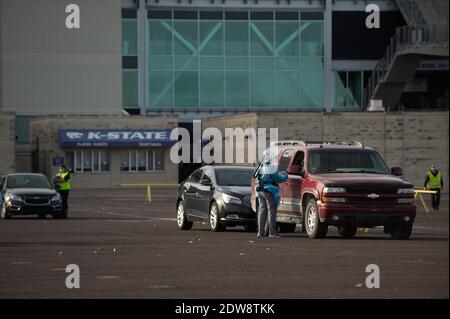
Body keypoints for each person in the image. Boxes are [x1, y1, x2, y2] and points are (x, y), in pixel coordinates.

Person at [256, 149, 288, 238]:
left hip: (260, 190)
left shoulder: (260, 166)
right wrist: (286, 175)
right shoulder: (271, 168)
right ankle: (272, 233)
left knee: (262, 211)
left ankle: (260, 233)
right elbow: (279, 179)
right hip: (269, 191)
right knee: (271, 211)